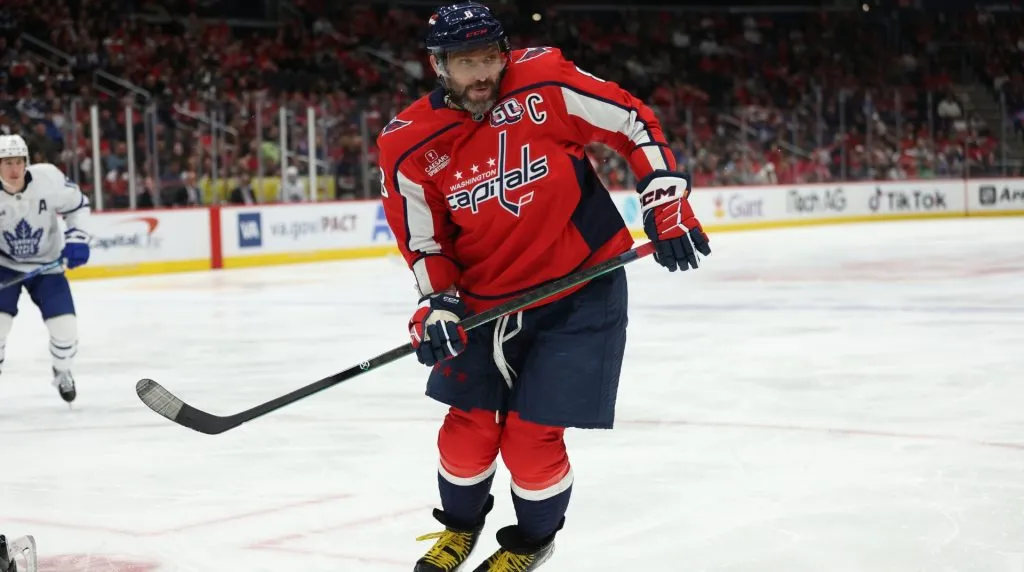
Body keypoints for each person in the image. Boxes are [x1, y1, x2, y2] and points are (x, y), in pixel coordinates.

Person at [377, 3, 711, 570]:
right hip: (485, 304)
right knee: (467, 430)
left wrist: (664, 197)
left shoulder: (545, 84)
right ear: (438, 66)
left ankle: (530, 544)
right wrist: (435, 304)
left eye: (490, 57)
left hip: (582, 288)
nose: (482, 73)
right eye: (465, 62)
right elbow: (425, 242)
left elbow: (632, 121)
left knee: (531, 442)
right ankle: (459, 530)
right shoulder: (408, 145)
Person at [0, 134, 91, 404]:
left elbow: (78, 205)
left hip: (46, 267)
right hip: (4, 267)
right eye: (6, 163)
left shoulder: (49, 179)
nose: (14, 170)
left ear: (27, 162)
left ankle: (62, 371)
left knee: (66, 332)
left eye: (18, 162)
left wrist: (77, 239)